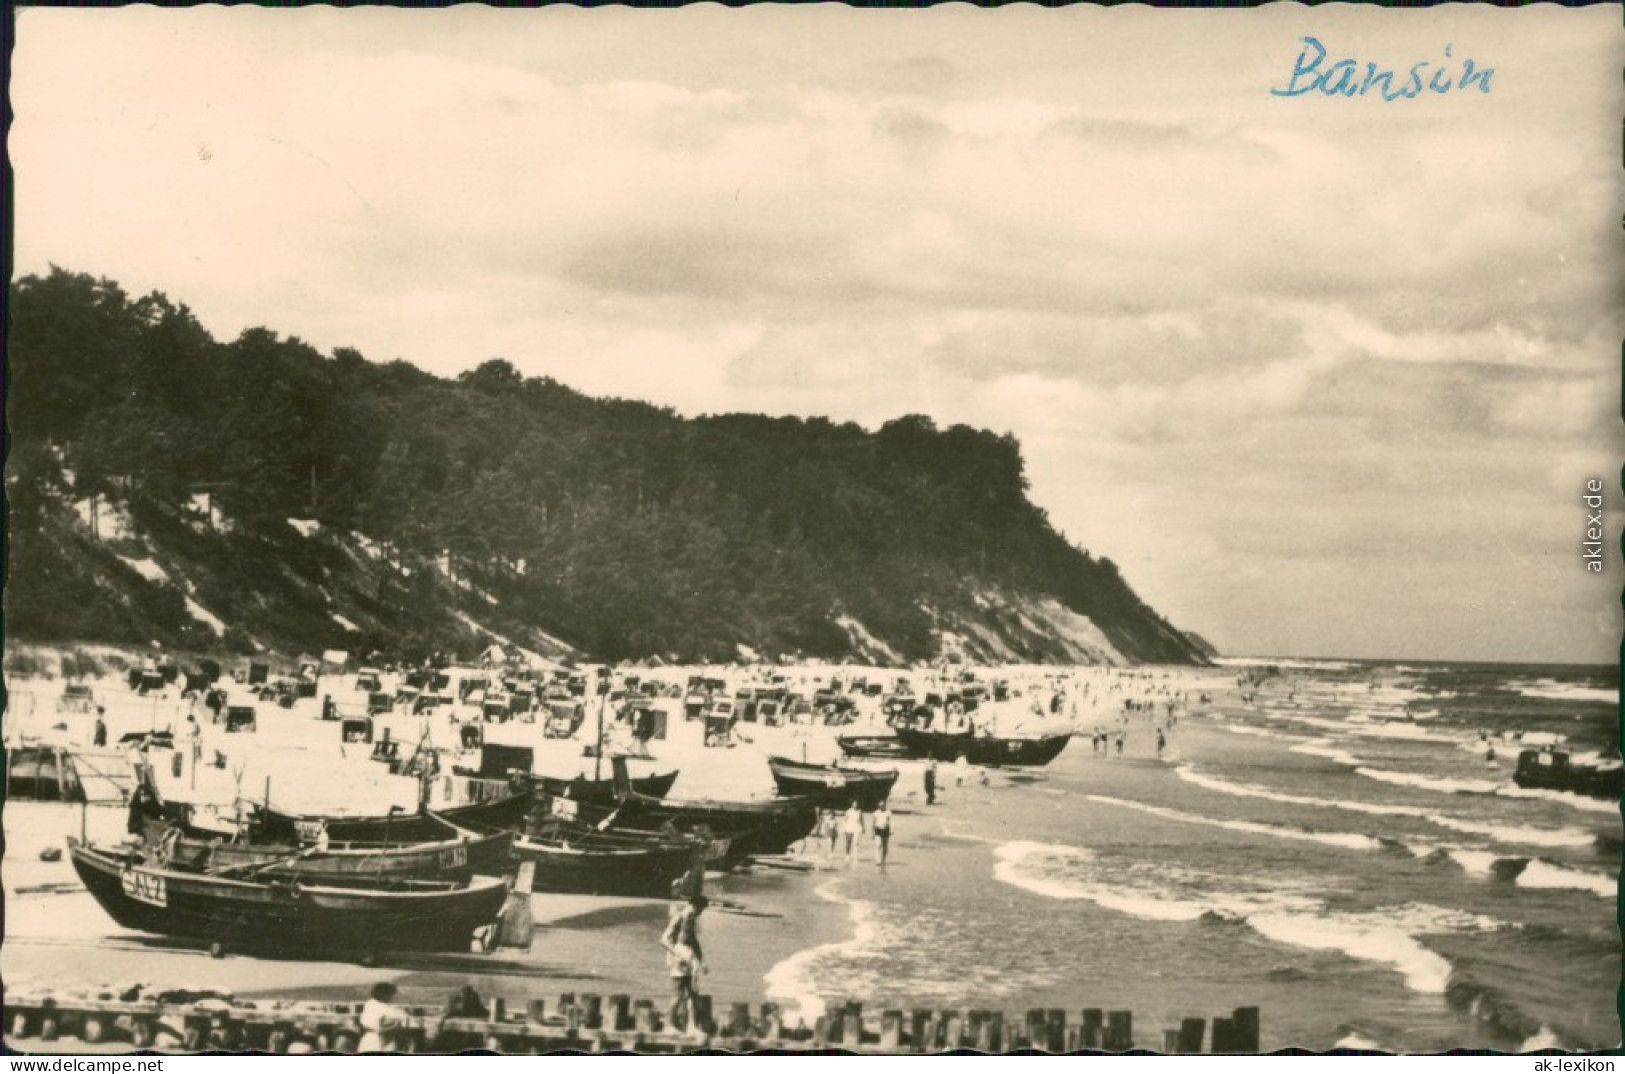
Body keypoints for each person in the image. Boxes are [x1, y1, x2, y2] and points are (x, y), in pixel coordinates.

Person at [662, 895, 708, 1034]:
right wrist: (677, 954)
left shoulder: (691, 918)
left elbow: (693, 941)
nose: (701, 912)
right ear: (695, 906)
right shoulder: (681, 917)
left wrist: (701, 961)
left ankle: (692, 1026)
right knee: (678, 994)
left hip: (689, 957)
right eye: (701, 909)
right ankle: (669, 1025)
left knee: (693, 993)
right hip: (679, 957)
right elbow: (664, 939)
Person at [358, 982, 408, 1052]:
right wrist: (396, 1021)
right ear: (384, 995)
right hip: (379, 1039)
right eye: (390, 995)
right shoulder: (383, 1007)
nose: (391, 998)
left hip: (368, 1037)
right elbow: (402, 1016)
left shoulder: (369, 1003)